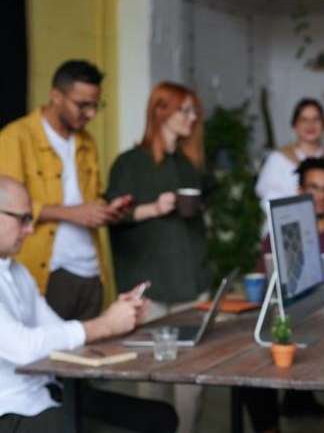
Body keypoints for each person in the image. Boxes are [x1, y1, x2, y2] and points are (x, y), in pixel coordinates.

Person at [0, 175, 177, 433]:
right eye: (24, 219)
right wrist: (105, 325)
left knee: (161, 417)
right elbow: (23, 348)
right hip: (12, 411)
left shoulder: (18, 271)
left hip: (50, 395)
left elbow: (60, 331)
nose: (30, 228)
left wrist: (117, 318)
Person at [105, 81, 211, 433]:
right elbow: (112, 217)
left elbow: (197, 231)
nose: (193, 118)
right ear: (160, 110)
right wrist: (153, 207)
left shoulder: (188, 164)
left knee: (191, 385)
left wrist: (204, 282)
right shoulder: (129, 163)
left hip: (189, 287)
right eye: (185, 110)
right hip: (149, 288)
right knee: (151, 385)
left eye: (194, 111)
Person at [243, 157, 324, 433]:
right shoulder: (276, 237)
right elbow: (267, 288)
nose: (321, 196)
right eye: (313, 188)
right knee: (251, 367)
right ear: (301, 192)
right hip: (289, 326)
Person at [0, 60, 132, 321]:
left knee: (92, 355)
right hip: (48, 272)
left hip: (92, 271)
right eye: (83, 105)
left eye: (96, 105)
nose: (91, 114)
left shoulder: (87, 142)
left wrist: (106, 211)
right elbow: (7, 206)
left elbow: (88, 200)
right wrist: (72, 213)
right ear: (56, 96)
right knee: (50, 357)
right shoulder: (16, 137)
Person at [256, 98, 324, 228]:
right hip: (284, 229)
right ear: (295, 125)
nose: (310, 125)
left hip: (323, 232)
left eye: (316, 119)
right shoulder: (277, 159)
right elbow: (268, 199)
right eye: (304, 120)